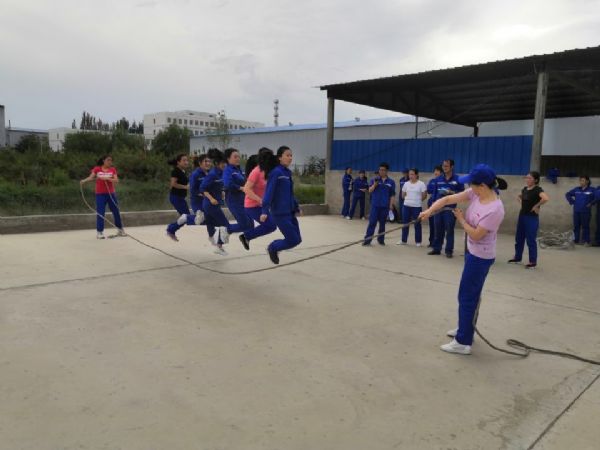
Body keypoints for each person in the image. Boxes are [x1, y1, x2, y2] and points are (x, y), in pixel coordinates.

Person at [419, 164, 505, 355]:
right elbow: (447, 199)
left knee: (467, 296)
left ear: (482, 185)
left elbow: (476, 235)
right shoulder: (476, 194)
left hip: (480, 256)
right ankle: (465, 328)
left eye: (471, 184)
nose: (469, 187)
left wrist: (461, 219)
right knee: (468, 294)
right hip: (471, 250)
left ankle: (463, 342)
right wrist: (429, 211)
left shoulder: (495, 209)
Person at [260, 146, 302, 264]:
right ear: (280, 157)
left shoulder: (287, 173)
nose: (290, 158)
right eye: (287, 155)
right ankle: (273, 247)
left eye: (291, 155)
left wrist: (296, 206)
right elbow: (269, 192)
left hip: (290, 212)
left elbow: (290, 193)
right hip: (280, 213)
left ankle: (274, 248)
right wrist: (264, 210)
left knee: (297, 239)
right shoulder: (276, 172)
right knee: (292, 240)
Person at [200, 149, 242, 256]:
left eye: (225, 163)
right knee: (225, 225)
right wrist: (211, 199)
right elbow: (202, 188)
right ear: (217, 164)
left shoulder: (223, 173)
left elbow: (223, 185)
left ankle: (213, 238)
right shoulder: (212, 174)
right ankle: (219, 246)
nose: (224, 165)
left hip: (215, 204)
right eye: (222, 163)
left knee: (212, 223)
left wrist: (222, 193)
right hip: (210, 204)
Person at [508, 171, 550, 269]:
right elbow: (519, 196)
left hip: (531, 218)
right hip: (522, 216)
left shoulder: (537, 190)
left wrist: (536, 206)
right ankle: (517, 257)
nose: (527, 180)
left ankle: (532, 262)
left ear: (535, 180)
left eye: (530, 178)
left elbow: (545, 198)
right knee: (519, 238)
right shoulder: (525, 189)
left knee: (530, 240)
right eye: (526, 178)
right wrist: (522, 203)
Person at [239, 148, 277, 250]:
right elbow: (246, 189)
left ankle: (246, 236)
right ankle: (246, 236)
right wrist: (260, 200)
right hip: (252, 206)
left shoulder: (268, 171)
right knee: (270, 225)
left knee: (271, 226)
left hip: (262, 206)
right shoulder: (256, 171)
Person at [80, 155, 126, 239]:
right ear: (103, 161)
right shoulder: (97, 169)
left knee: (116, 211)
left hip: (111, 194)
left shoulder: (113, 169)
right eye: (108, 160)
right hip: (100, 195)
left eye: (111, 160)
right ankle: (100, 232)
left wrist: (107, 179)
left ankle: (120, 229)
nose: (110, 162)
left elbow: (116, 180)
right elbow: (91, 177)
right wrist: (84, 181)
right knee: (100, 212)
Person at [428, 159, 464, 258]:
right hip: (438, 209)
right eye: (443, 166)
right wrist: (433, 205)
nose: (444, 168)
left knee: (449, 230)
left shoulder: (457, 179)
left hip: (449, 209)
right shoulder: (438, 179)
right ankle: (437, 249)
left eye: (447, 166)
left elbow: (462, 193)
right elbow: (434, 193)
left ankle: (449, 251)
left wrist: (451, 192)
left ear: (452, 167)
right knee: (438, 229)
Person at [165, 154, 202, 242]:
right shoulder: (175, 171)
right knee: (186, 217)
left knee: (186, 217)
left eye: (187, 160)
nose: (186, 162)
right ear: (178, 162)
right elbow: (173, 184)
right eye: (184, 160)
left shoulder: (183, 171)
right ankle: (170, 229)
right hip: (175, 197)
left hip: (181, 198)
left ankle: (171, 230)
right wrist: (185, 187)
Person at [362, 163, 396, 246]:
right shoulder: (374, 180)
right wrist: (375, 185)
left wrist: (391, 205)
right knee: (372, 223)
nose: (381, 171)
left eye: (383, 170)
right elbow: (370, 190)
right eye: (380, 170)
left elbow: (392, 195)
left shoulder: (391, 182)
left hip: (385, 206)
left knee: (382, 224)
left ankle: (381, 240)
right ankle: (367, 240)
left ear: (387, 171)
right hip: (375, 205)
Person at [223, 147, 254, 236]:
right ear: (228, 159)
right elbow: (227, 184)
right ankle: (225, 230)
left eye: (238, 157)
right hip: (234, 201)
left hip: (244, 200)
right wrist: (240, 188)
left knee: (250, 225)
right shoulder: (228, 170)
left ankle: (243, 238)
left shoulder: (239, 170)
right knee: (244, 225)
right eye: (235, 157)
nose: (238, 159)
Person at [189, 154, 216, 245]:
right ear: (200, 163)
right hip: (197, 201)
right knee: (201, 218)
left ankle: (212, 236)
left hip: (207, 200)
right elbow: (193, 190)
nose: (208, 163)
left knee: (210, 217)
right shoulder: (195, 174)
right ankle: (186, 218)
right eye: (205, 161)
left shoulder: (211, 173)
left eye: (209, 161)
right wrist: (204, 194)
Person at [397, 168, 427, 246]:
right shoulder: (406, 184)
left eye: (412, 174)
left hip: (416, 207)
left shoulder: (421, 184)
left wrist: (417, 200)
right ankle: (403, 240)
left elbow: (424, 196)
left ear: (417, 175)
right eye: (410, 174)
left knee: (417, 224)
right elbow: (402, 195)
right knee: (405, 223)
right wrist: (408, 200)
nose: (411, 176)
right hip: (406, 206)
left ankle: (418, 241)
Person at [565, 175, 595, 246]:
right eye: (580, 180)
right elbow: (567, 194)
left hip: (585, 211)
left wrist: (591, 203)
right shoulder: (576, 189)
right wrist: (572, 202)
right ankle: (576, 240)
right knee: (576, 226)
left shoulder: (591, 190)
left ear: (587, 181)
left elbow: (597, 197)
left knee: (585, 226)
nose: (581, 182)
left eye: (583, 180)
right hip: (576, 211)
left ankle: (586, 241)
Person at [426, 165, 443, 247]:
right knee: (432, 224)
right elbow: (428, 190)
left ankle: (438, 243)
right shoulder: (432, 181)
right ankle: (431, 241)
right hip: (431, 203)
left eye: (438, 171)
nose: (436, 172)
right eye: (435, 170)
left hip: (440, 204)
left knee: (438, 225)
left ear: (441, 172)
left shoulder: (443, 181)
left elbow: (442, 192)